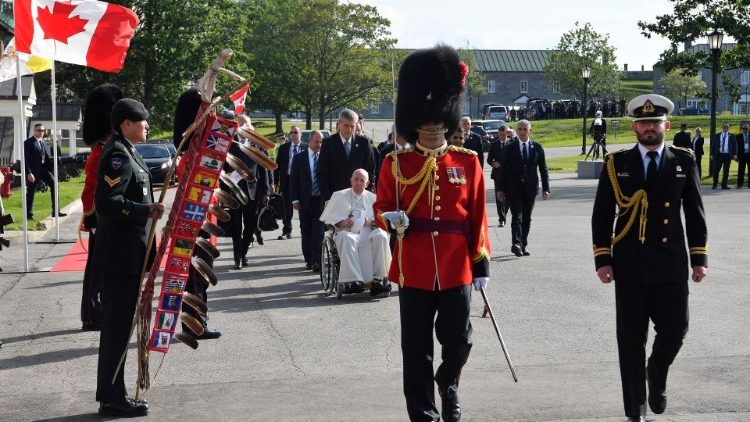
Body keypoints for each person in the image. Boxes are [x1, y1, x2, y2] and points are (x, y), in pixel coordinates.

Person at [374, 45, 490, 422]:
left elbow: (477, 216)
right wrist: (391, 220)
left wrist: (481, 262)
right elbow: (380, 208)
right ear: (414, 122)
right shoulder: (395, 163)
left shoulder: (467, 162)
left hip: (457, 264)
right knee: (416, 347)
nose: (431, 125)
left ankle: (449, 384)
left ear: (447, 118)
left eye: (437, 119)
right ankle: (423, 412)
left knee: (459, 340)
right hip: (415, 264)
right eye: (424, 121)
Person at [592, 94, 708, 422]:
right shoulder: (617, 164)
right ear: (634, 127)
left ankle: (656, 373)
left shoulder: (684, 161)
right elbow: (601, 215)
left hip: (671, 264)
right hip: (630, 264)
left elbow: (695, 213)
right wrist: (603, 258)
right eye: (643, 123)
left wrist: (699, 258)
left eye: (655, 122)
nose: (649, 128)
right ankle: (635, 412)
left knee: (676, 330)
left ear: (666, 126)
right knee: (630, 341)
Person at [95, 98, 165, 417]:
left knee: (122, 327)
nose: (147, 125)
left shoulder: (129, 150)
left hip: (131, 254)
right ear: (126, 123)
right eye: (142, 120)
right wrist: (143, 211)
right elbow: (110, 201)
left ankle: (115, 393)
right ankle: (112, 397)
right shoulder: (117, 154)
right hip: (120, 257)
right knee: (117, 328)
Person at [172, 87, 222, 340]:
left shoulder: (198, 154)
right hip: (195, 224)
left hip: (205, 222)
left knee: (200, 276)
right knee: (195, 276)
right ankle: (194, 325)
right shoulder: (192, 158)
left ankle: (197, 321)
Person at [79, 83, 124, 332]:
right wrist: (93, 219)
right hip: (100, 216)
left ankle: (98, 311)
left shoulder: (108, 147)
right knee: (97, 268)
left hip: (108, 215)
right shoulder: (101, 151)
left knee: (104, 267)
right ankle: (91, 314)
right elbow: (91, 191)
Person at [320, 169, 390, 292]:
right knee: (346, 238)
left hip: (368, 231)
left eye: (362, 180)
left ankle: (378, 279)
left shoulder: (374, 198)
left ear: (367, 183)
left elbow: (382, 219)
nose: (358, 183)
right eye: (356, 180)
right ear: (351, 180)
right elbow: (329, 219)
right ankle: (353, 280)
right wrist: (341, 222)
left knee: (381, 236)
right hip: (347, 231)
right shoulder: (339, 195)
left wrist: (369, 221)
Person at [495, 119, 550, 257]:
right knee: (516, 216)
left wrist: (546, 188)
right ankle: (516, 243)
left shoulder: (537, 147)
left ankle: (523, 244)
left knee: (527, 217)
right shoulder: (510, 148)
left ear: (530, 130)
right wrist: (500, 189)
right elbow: (503, 170)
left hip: (530, 188)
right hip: (514, 188)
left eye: (525, 129)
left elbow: (543, 169)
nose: (522, 132)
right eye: (519, 129)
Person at [317, 109, 376, 202]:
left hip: (359, 198)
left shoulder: (364, 143)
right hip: (334, 197)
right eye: (346, 125)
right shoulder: (328, 143)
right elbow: (322, 174)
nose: (349, 130)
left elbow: (370, 172)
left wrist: (368, 196)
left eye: (352, 126)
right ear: (339, 124)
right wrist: (327, 199)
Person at [290, 130, 325, 272]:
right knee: (306, 231)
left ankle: (317, 260)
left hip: (320, 200)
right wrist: (295, 200)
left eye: (321, 142)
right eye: (317, 142)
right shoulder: (299, 158)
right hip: (304, 200)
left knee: (318, 232)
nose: (319, 144)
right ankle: (309, 259)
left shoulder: (325, 157)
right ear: (310, 141)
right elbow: (293, 181)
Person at [23, 123, 67, 220]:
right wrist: (28, 173)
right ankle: (28, 215)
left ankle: (55, 211)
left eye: (43, 130)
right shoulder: (28, 143)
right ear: (34, 131)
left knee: (55, 185)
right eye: (39, 130)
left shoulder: (43, 142)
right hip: (33, 171)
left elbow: (46, 157)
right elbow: (25, 159)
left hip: (44, 170)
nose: (41, 132)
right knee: (31, 192)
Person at [273, 126, 306, 240]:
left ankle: (304, 230)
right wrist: (275, 182)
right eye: (290, 133)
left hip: (303, 182)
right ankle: (287, 230)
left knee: (303, 207)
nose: (292, 134)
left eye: (295, 132)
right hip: (287, 180)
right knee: (287, 207)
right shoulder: (283, 148)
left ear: (300, 134)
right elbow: (277, 166)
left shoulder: (306, 147)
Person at [487, 124, 509, 227]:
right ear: (498, 134)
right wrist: (493, 163)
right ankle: (502, 219)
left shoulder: (511, 144)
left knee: (508, 197)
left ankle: (504, 214)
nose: (502, 136)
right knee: (499, 197)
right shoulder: (494, 144)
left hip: (509, 175)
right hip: (498, 174)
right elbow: (489, 159)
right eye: (500, 134)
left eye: (504, 134)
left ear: (507, 134)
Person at [710, 122, 736, 189]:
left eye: (727, 127)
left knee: (726, 171)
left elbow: (735, 146)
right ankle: (714, 184)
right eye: (724, 126)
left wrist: (735, 154)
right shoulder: (717, 135)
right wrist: (711, 154)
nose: (726, 128)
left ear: (728, 128)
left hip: (727, 156)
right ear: (722, 127)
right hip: (718, 155)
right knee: (716, 170)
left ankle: (724, 185)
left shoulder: (732, 136)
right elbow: (713, 146)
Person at [735, 123, 750, 188]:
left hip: (749, 155)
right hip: (742, 156)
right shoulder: (738, 136)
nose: (744, 130)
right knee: (741, 170)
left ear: (749, 129)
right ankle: (739, 184)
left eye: (746, 128)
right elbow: (736, 147)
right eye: (743, 128)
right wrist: (736, 156)